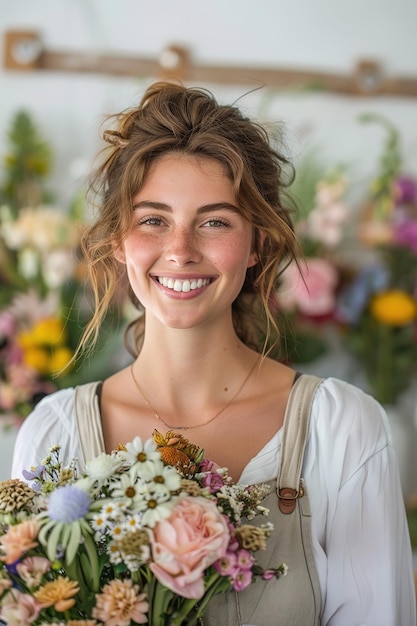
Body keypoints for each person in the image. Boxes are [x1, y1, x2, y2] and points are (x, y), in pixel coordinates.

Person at [12, 82, 416, 625]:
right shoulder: (53, 434)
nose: (180, 251)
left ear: (257, 245)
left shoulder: (340, 430)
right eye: (153, 219)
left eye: (215, 222)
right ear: (118, 242)